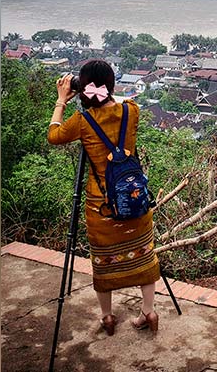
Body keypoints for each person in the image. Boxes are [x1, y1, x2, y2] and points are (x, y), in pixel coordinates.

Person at [47, 59, 160, 335]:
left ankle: (108, 318)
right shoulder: (131, 111)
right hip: (135, 199)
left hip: (102, 208)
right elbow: (117, 101)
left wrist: (63, 99)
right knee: (144, 256)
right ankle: (149, 311)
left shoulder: (82, 121)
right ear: (110, 86)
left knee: (103, 262)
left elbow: (53, 135)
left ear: (83, 88)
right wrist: (101, 92)